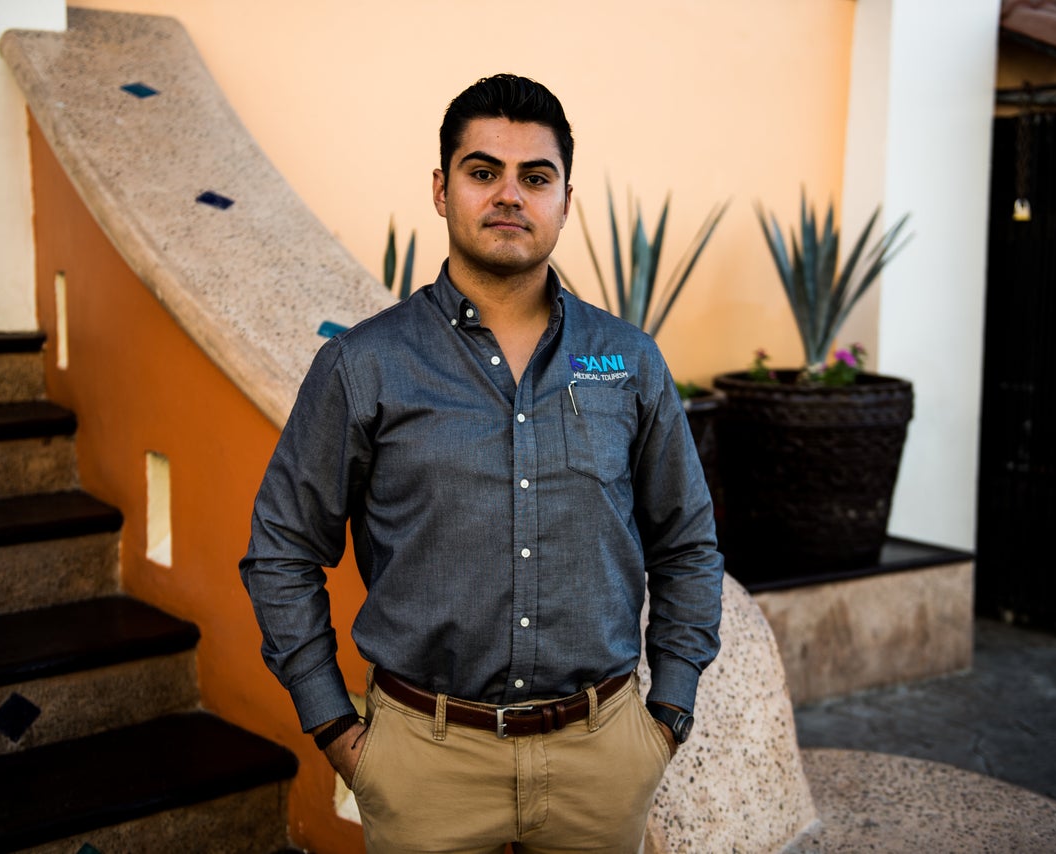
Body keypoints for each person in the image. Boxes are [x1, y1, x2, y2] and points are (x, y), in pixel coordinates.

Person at [240, 73, 723, 854]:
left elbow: (687, 543)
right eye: (482, 171)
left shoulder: (628, 362)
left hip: (599, 759)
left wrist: (667, 713)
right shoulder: (364, 365)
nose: (509, 195)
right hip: (424, 762)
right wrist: (333, 724)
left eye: (536, 177)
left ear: (566, 198)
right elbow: (282, 552)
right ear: (441, 189)